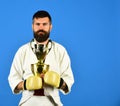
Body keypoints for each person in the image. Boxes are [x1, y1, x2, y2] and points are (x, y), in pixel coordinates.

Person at [8, 10, 74, 106]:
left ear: (50, 27)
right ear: (32, 26)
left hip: (53, 102)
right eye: (37, 24)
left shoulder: (60, 50)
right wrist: (26, 84)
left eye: (44, 24)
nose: (41, 27)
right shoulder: (22, 51)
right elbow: (13, 79)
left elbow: (68, 82)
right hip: (28, 102)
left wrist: (59, 82)